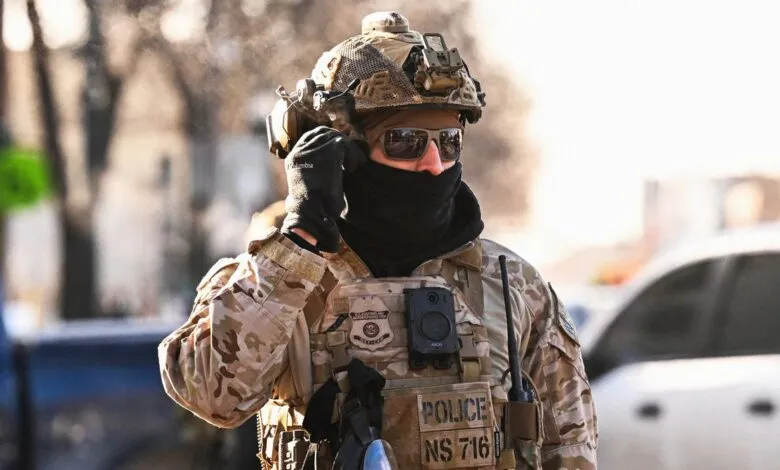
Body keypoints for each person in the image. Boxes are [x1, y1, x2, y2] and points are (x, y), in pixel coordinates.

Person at [159, 11, 597, 470]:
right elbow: (210, 395)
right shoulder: (278, 281)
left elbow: (571, 455)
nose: (434, 163)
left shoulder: (513, 288)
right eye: (405, 140)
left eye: (449, 141)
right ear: (338, 151)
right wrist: (301, 239)